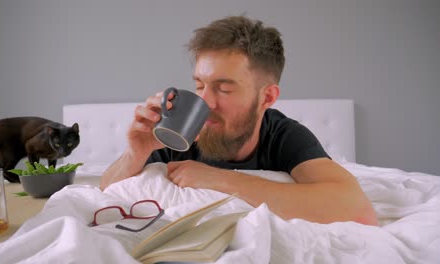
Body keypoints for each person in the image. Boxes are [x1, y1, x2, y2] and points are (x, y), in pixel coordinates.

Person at [101, 16, 378, 226]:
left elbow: (356, 209)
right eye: (200, 85)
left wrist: (219, 180)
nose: (205, 102)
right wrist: (136, 153)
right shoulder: (181, 130)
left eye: (224, 88)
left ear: (267, 97)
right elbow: (105, 191)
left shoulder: (284, 136)